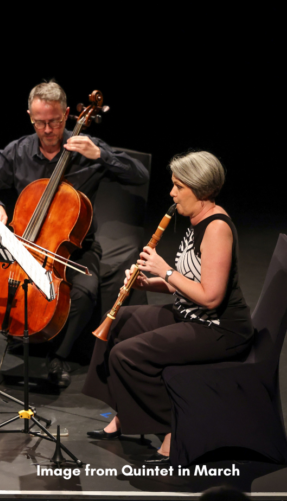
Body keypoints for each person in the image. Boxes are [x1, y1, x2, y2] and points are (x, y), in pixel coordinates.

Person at [0, 80, 149, 388]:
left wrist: (101, 155)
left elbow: (139, 174)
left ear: (67, 114)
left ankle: (58, 355)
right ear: (30, 116)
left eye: (55, 121)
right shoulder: (17, 151)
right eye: (40, 122)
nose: (48, 129)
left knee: (85, 290)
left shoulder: (86, 146)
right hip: (23, 243)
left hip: (73, 249)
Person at [82, 151, 253, 464]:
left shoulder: (217, 228)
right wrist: (148, 283)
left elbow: (211, 297)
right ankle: (124, 413)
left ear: (200, 189)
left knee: (128, 355)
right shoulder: (195, 220)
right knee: (118, 321)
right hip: (191, 315)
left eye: (179, 186)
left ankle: (174, 431)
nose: (172, 193)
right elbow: (186, 281)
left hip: (219, 329)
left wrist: (165, 270)